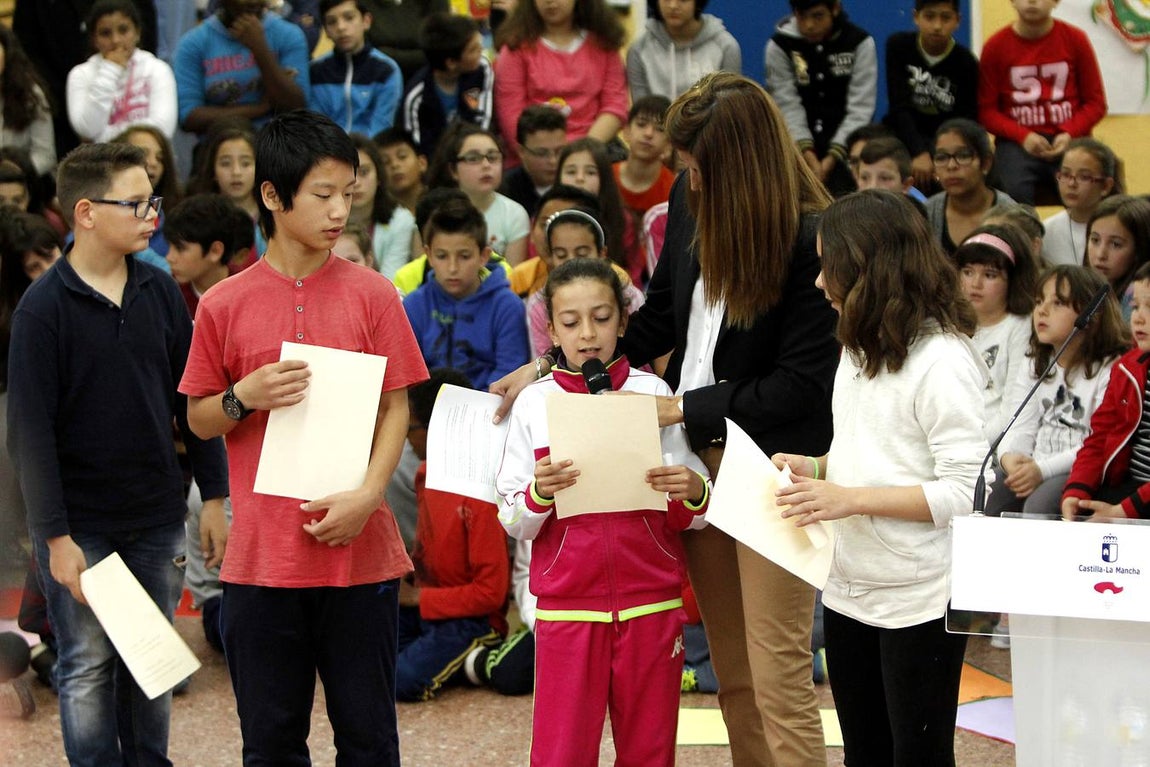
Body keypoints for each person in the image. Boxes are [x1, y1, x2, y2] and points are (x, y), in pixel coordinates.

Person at [491, 71, 839, 767]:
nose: (688, 181)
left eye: (699, 167)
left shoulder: (807, 240)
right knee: (733, 674)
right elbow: (653, 316)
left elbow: (801, 387)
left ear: (740, 165)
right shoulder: (689, 197)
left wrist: (680, 404)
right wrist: (547, 365)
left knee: (779, 675)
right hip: (696, 454)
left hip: (772, 465)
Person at [180, 109, 428, 766]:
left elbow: (395, 407)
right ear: (271, 195)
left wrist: (368, 495)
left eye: (348, 192)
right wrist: (244, 397)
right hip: (262, 560)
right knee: (269, 742)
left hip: (361, 555)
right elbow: (200, 416)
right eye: (322, 194)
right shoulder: (223, 303)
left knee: (370, 740)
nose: (338, 209)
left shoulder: (373, 294)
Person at [7, 141, 229, 766]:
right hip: (82, 527)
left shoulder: (160, 293)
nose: (151, 215)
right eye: (134, 203)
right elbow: (29, 439)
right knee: (86, 666)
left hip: (157, 516)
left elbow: (197, 400)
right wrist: (54, 539)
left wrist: (212, 497)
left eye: (152, 200)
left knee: (150, 660)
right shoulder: (42, 311)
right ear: (84, 212)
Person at [773, 189, 988, 766]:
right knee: (863, 754)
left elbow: (965, 493)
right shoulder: (855, 345)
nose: (819, 283)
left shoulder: (943, 361)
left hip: (922, 596)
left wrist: (848, 498)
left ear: (869, 268)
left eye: (829, 266)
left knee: (915, 755)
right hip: (849, 586)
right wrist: (815, 469)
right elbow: (869, 455)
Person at [496, 256, 711, 767]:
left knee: (650, 751)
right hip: (567, 607)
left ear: (624, 320)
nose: (587, 334)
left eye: (601, 318)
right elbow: (511, 517)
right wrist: (539, 494)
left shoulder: (655, 394)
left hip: (651, 604)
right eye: (570, 323)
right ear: (551, 329)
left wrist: (692, 490)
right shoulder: (532, 404)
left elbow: (700, 509)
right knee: (562, 752)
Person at [396, 369, 510, 702]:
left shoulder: (480, 495)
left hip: (473, 621)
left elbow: (491, 595)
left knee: (401, 680)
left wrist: (419, 599)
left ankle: (476, 658)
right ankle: (455, 661)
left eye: (410, 430)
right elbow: (430, 552)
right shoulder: (425, 473)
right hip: (431, 605)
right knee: (363, 654)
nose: (406, 439)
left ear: (437, 431)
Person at [988, 265, 1129, 517]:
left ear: (1092, 315)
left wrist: (1043, 470)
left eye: (1058, 303)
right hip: (1034, 465)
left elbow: (1097, 441)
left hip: (1078, 469)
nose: (1041, 310)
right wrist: (1009, 457)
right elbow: (1019, 424)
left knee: (1040, 504)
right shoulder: (1035, 363)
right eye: (1039, 301)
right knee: (991, 491)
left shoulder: (1112, 369)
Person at [978, 0, 1107, 205]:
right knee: (1011, 192)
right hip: (1017, 142)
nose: (1032, 1)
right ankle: (1022, 236)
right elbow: (986, 111)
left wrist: (1069, 133)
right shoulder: (995, 47)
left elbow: (1096, 103)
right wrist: (1023, 136)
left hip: (1070, 139)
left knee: (1099, 183)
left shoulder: (1075, 39)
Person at [402, 196, 528, 390]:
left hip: (489, 410)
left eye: (464, 256)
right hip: (425, 411)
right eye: (442, 256)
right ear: (428, 255)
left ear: (484, 256)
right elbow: (407, 375)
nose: (452, 268)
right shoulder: (413, 305)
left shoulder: (507, 306)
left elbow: (508, 375)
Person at [1062, 262, 1150, 521]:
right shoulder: (1128, 367)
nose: (1138, 318)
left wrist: (1120, 512)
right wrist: (1077, 490)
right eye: (1135, 307)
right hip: (1128, 489)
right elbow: (1100, 437)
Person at [493, 0, 628, 163]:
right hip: (532, 160)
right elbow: (510, 115)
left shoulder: (605, 43)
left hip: (592, 153)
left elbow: (615, 107)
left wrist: (581, 154)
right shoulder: (515, 47)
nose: (550, 2)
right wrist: (546, 156)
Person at [765, 0, 877, 196]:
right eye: (801, 16)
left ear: (835, 9)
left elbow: (861, 108)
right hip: (796, 152)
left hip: (848, 154)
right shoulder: (780, 46)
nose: (809, 25)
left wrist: (832, 158)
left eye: (817, 16)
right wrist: (807, 154)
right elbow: (787, 104)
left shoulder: (859, 43)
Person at [955, 224, 1039, 442]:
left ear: (1012, 280)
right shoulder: (950, 324)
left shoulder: (1020, 327)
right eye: (967, 272)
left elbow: (1012, 410)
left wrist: (971, 447)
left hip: (990, 446)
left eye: (989, 275)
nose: (975, 283)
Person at [173, 0, 309, 136]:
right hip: (219, 146)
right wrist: (259, 109)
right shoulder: (193, 44)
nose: (254, 2)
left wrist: (260, 49)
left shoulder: (289, 35)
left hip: (278, 145)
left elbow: (297, 107)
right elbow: (189, 117)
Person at [883, 0, 978, 192]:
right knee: (874, 151)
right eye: (929, 16)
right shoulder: (898, 46)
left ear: (957, 21)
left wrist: (939, 155)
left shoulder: (966, 62)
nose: (937, 26)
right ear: (915, 17)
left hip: (943, 138)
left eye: (945, 18)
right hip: (903, 133)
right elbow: (899, 107)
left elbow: (964, 120)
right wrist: (919, 153)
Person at [526, 205, 645, 356]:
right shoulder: (538, 304)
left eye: (602, 318)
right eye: (561, 255)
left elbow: (642, 353)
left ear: (602, 253)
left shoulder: (629, 295)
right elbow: (541, 360)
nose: (571, 261)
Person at [66, 0, 178, 143]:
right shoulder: (80, 75)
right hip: (100, 162)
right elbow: (88, 129)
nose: (116, 40)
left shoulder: (158, 70)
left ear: (137, 32)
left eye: (123, 30)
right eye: (105, 33)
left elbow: (162, 131)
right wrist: (110, 69)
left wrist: (102, 138)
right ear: (94, 39)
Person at [401, 12, 494, 157]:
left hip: (475, 152)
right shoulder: (417, 97)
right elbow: (419, 147)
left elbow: (483, 121)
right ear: (451, 63)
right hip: (436, 166)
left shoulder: (482, 70)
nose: (481, 51)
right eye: (473, 50)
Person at [436, 124, 530, 265]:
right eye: (473, 158)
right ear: (453, 170)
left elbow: (513, 278)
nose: (486, 165)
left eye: (492, 157)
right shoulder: (435, 211)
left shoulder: (514, 214)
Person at [309, 0, 403, 137]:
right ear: (326, 31)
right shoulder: (315, 71)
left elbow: (381, 128)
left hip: (370, 154)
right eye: (332, 22)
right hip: (328, 153)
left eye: (349, 18)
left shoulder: (386, 70)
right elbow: (316, 127)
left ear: (366, 21)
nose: (341, 27)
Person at [925, 118, 1017, 255]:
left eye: (963, 155)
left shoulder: (1011, 215)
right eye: (942, 157)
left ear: (986, 163)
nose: (951, 166)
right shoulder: (927, 213)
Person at [557, 138, 638, 286]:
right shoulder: (547, 216)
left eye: (590, 172)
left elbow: (633, 274)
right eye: (571, 171)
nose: (579, 178)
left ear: (604, 178)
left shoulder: (622, 219)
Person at [626, 0, 741, 102]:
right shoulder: (639, 51)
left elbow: (728, 108)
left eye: (683, 0)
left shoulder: (726, 47)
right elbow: (643, 112)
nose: (673, 5)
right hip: (657, 125)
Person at [613, 95, 675, 282]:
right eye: (641, 124)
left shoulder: (674, 188)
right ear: (625, 132)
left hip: (656, 275)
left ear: (670, 143)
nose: (648, 134)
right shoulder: (604, 177)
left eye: (659, 129)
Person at [163, 193, 254, 317]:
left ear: (215, 251)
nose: (169, 257)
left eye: (180, 248)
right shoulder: (167, 295)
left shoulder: (250, 294)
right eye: (170, 246)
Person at [188, 121, 264, 265]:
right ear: (213, 170)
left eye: (246, 163)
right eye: (225, 163)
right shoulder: (197, 220)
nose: (236, 172)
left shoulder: (276, 217)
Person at [1043, 138, 1120, 266]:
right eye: (1066, 175)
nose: (1072, 184)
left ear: (1106, 186)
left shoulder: (1121, 228)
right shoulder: (1047, 230)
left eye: (1084, 177)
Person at [348, 134, 416, 278]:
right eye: (349, 174)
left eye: (364, 172)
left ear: (379, 176)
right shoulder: (321, 219)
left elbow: (391, 282)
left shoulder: (400, 220)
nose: (356, 183)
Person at [112, 126, 183, 257]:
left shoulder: (177, 223)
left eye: (160, 158)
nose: (153, 163)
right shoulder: (97, 218)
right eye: (143, 154)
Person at [1085, 195, 1150, 321]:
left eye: (1116, 244)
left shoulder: (1135, 293)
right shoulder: (1088, 289)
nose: (1100, 254)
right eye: (1095, 240)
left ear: (1139, 249)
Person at [499, 105, 568, 218]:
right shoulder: (504, 191)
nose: (553, 161)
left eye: (560, 151)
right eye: (542, 153)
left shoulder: (577, 185)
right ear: (521, 151)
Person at [376, 127, 429, 214]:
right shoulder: (377, 216)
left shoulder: (441, 205)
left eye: (402, 156)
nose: (394, 165)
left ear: (422, 163)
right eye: (385, 162)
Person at [855, 136, 923, 200]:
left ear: (906, 185)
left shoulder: (920, 211)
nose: (872, 187)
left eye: (884, 178)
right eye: (864, 178)